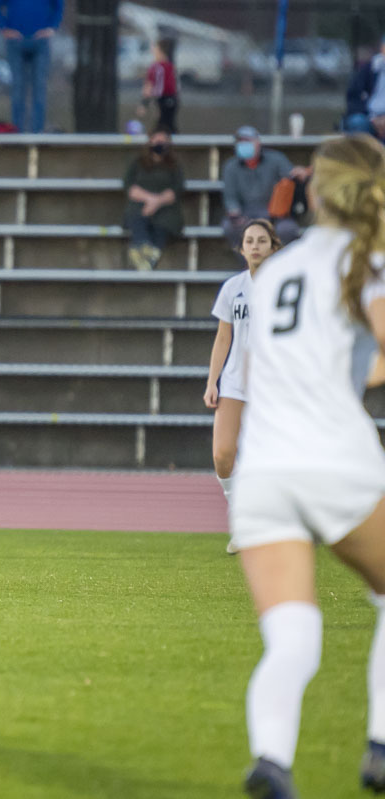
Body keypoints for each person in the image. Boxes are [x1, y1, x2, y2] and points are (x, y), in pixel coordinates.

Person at [228, 134, 385, 797]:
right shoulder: (369, 261)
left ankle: (272, 761)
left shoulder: (278, 269)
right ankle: (380, 744)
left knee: (291, 634)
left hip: (262, 471)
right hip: (337, 460)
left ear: (314, 192)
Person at [203, 219, 282, 555]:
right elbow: (224, 337)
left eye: (261, 240)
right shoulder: (233, 287)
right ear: (241, 247)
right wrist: (212, 381)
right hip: (235, 381)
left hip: (272, 382)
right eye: (249, 240)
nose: (254, 246)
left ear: (273, 246)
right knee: (223, 454)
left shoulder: (283, 287)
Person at [221, 126, 308, 248]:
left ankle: (277, 263)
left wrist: (300, 174)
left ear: (258, 142)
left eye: (248, 141)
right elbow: (230, 197)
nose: (244, 145)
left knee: (287, 229)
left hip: (275, 213)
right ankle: (248, 263)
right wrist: (236, 214)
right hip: (246, 213)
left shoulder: (276, 159)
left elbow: (291, 177)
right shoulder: (230, 166)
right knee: (230, 227)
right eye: (240, 142)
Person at [0, 0, 63, 133]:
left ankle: (38, 131)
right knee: (18, 88)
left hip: (40, 43)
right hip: (15, 43)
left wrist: (52, 27)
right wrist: (4, 28)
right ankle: (17, 132)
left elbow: (58, 6)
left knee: (39, 88)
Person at [122, 127, 184, 271]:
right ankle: (145, 250)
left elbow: (176, 190)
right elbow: (129, 187)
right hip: (140, 205)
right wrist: (149, 199)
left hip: (166, 208)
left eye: (163, 141)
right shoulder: (138, 163)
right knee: (136, 215)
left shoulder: (174, 166)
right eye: (156, 140)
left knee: (164, 222)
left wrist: (156, 202)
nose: (159, 144)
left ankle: (148, 257)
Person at [345, 35, 385, 140]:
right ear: (382, 48)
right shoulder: (370, 68)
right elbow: (353, 97)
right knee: (357, 122)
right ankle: (362, 155)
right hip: (369, 116)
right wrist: (373, 119)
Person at [141, 38, 179, 134]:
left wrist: (144, 103)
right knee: (166, 123)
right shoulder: (168, 66)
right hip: (169, 99)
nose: (153, 51)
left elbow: (149, 87)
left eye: (155, 49)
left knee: (164, 124)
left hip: (164, 99)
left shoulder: (158, 67)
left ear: (160, 51)